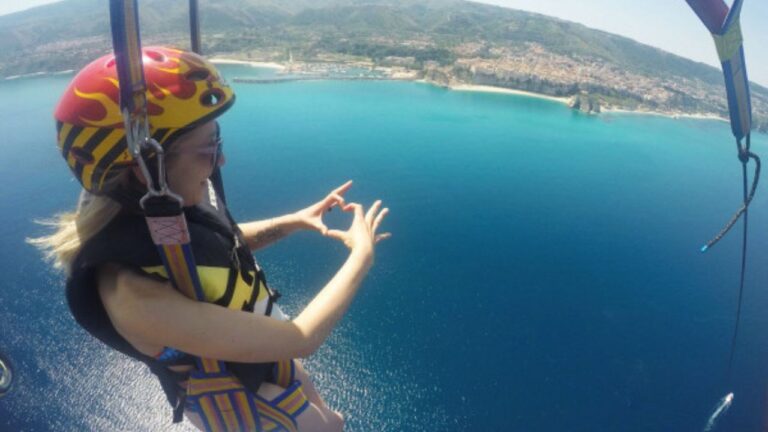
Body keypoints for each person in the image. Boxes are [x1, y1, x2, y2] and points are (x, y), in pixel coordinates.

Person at [30, 46, 390, 432]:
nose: (221, 161)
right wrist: (362, 255)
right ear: (146, 170)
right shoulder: (132, 298)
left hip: (254, 365)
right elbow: (301, 338)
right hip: (240, 402)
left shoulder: (152, 211)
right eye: (208, 148)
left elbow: (210, 255)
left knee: (333, 422)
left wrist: (295, 221)